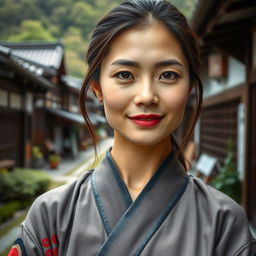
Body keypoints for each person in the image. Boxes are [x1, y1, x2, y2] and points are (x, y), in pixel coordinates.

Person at [8, 0, 256, 255]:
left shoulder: (224, 224)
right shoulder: (51, 216)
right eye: (125, 74)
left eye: (168, 74)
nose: (147, 96)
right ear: (98, 88)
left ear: (191, 85)